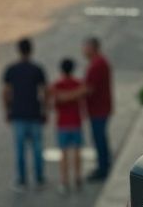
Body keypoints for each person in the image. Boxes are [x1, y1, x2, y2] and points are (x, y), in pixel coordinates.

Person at [2, 37, 47, 191]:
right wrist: (45, 110)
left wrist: (7, 110)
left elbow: (6, 92)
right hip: (34, 113)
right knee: (37, 148)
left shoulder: (11, 70)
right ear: (31, 50)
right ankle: (39, 177)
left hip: (18, 114)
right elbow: (43, 92)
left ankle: (22, 179)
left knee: (20, 150)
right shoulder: (37, 69)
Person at [50, 58, 86, 194]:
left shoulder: (57, 85)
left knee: (63, 154)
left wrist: (63, 97)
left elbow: (54, 102)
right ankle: (78, 177)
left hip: (62, 124)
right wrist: (76, 93)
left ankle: (64, 181)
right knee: (77, 152)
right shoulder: (78, 84)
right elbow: (82, 98)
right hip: (76, 122)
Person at [82, 37, 113, 181]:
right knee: (101, 138)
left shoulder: (97, 64)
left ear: (92, 48)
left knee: (99, 139)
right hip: (100, 108)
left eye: (85, 47)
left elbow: (89, 88)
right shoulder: (99, 62)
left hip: (98, 109)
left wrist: (68, 94)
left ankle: (103, 169)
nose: (83, 50)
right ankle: (104, 164)